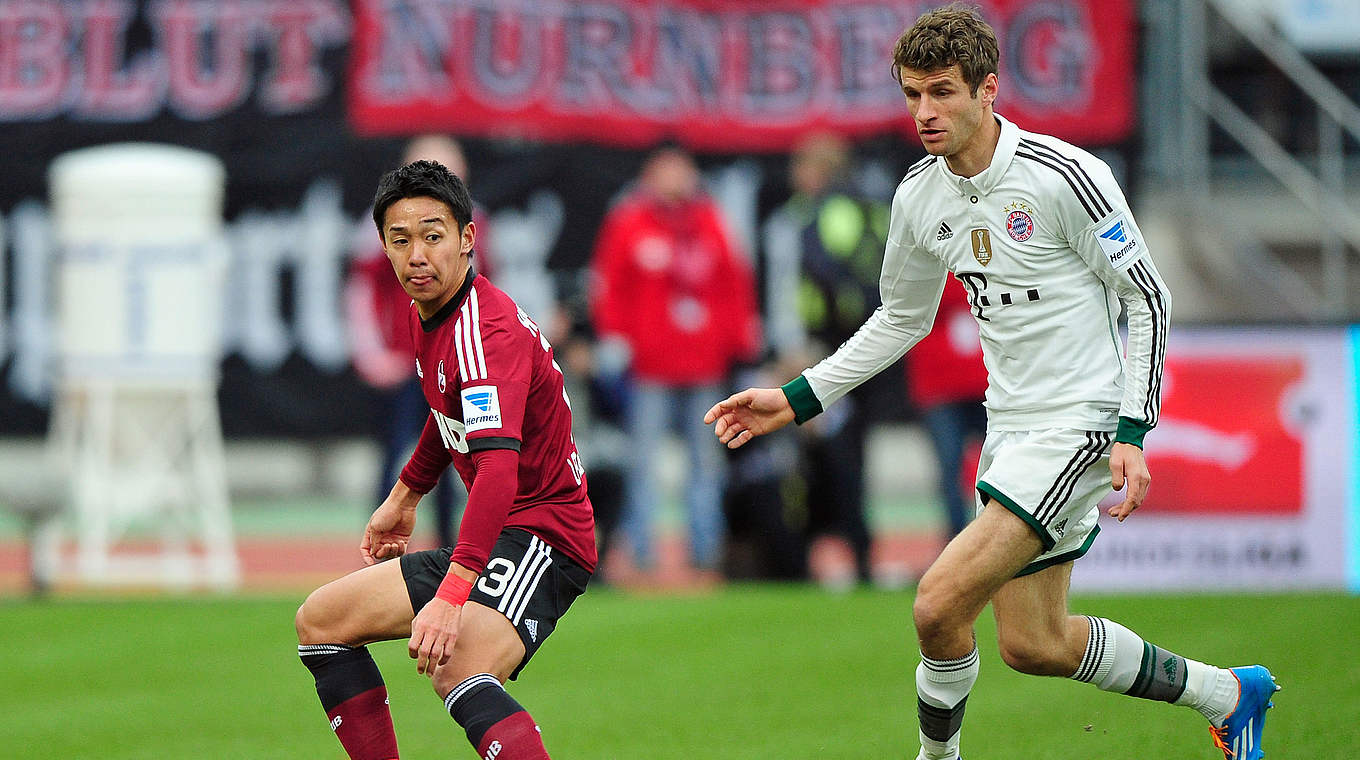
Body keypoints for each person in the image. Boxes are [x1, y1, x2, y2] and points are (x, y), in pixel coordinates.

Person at [704, 6, 1277, 760]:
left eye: (942, 92)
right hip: (1009, 428)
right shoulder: (919, 194)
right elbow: (899, 320)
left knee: (938, 603)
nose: (925, 112)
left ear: (988, 90)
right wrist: (798, 397)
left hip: (1082, 422)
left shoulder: (1066, 177)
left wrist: (1134, 433)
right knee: (1034, 644)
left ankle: (936, 757)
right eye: (912, 94)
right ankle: (1228, 695)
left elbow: (1148, 297)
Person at [296, 159, 595, 760]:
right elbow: (447, 412)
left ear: (467, 239)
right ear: (382, 245)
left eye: (433, 236)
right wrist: (404, 497)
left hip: (544, 536)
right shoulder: (432, 311)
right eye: (400, 240)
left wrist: (453, 593)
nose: (417, 256)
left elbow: (498, 471)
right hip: (504, 533)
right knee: (321, 624)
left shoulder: (485, 332)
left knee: (457, 668)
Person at [589, 145, 760, 582]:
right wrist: (617, 339)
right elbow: (610, 285)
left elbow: (733, 285)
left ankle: (706, 553)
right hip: (650, 368)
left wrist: (737, 341)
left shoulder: (709, 222)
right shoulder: (630, 222)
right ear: (650, 176)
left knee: (705, 465)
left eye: (681, 171)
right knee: (643, 464)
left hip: (703, 365)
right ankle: (642, 553)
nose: (674, 180)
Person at [347, 135, 491, 548]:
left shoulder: (473, 223)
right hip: (405, 357)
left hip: (456, 360)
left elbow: (490, 291)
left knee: (458, 457)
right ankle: (379, 545)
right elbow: (360, 290)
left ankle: (449, 547)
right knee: (396, 454)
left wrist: (481, 351)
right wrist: (374, 353)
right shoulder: (382, 223)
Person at [903, 276, 989, 539]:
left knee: (1002, 465)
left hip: (985, 382)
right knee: (951, 470)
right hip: (941, 386)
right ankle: (958, 545)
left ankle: (997, 539)